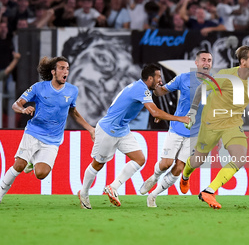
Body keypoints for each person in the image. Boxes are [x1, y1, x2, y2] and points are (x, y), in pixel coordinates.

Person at [180, 45, 249, 209]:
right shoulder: (225, 76)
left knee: (240, 158)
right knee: (198, 160)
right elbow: (201, 88)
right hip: (212, 121)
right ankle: (186, 174)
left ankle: (209, 191)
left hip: (233, 122)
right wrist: (192, 112)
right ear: (243, 62)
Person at [77, 63, 190, 209]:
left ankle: (113, 187)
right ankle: (84, 193)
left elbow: (144, 107)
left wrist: (157, 114)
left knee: (139, 159)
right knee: (98, 164)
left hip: (122, 130)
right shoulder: (140, 89)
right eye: (158, 77)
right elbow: (155, 111)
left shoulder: (141, 89)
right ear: (150, 78)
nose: (161, 81)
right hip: (108, 129)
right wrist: (180, 118)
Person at [0, 56, 95, 203]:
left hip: (53, 139)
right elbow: (16, 104)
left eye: (67, 69)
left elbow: (73, 112)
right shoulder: (39, 87)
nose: (66, 71)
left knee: (41, 174)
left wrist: (90, 128)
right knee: (19, 165)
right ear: (53, 72)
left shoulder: (72, 91)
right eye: (62, 68)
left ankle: (32, 161)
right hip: (34, 132)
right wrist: (23, 109)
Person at [139, 51, 213, 207]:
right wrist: (154, 86)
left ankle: (153, 195)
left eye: (209, 61)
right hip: (177, 128)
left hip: (196, 133)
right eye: (204, 60)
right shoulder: (183, 78)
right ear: (197, 63)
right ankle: (154, 177)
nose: (207, 63)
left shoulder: (216, 84)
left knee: (179, 167)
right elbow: (161, 92)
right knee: (166, 163)